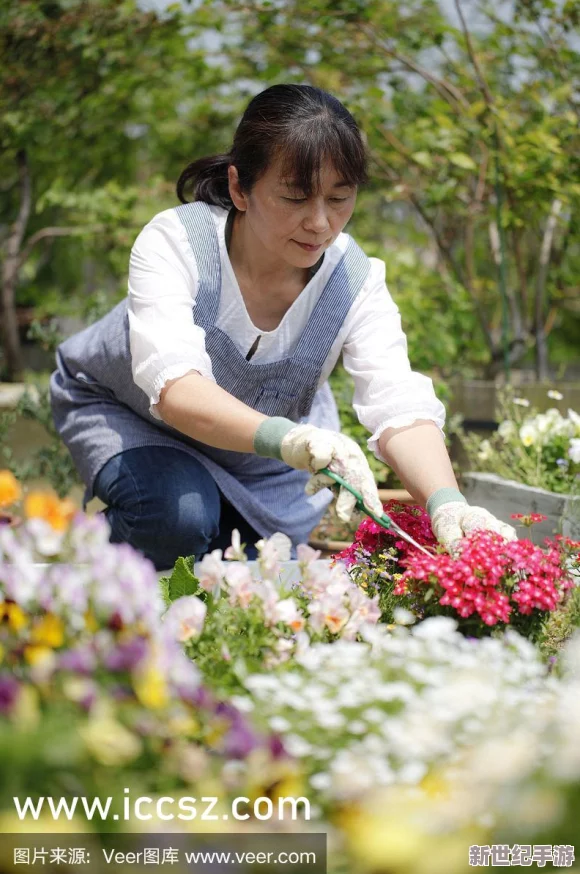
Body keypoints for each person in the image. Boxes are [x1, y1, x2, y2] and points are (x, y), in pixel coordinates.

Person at [49, 84, 515, 571]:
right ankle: (58, 565)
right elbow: (176, 390)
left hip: (261, 466)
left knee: (252, 570)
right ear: (238, 188)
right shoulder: (175, 243)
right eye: (295, 197)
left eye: (340, 198)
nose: (320, 223)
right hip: (131, 417)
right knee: (179, 519)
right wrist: (289, 440)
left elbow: (397, 402)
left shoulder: (354, 281)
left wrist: (447, 503)